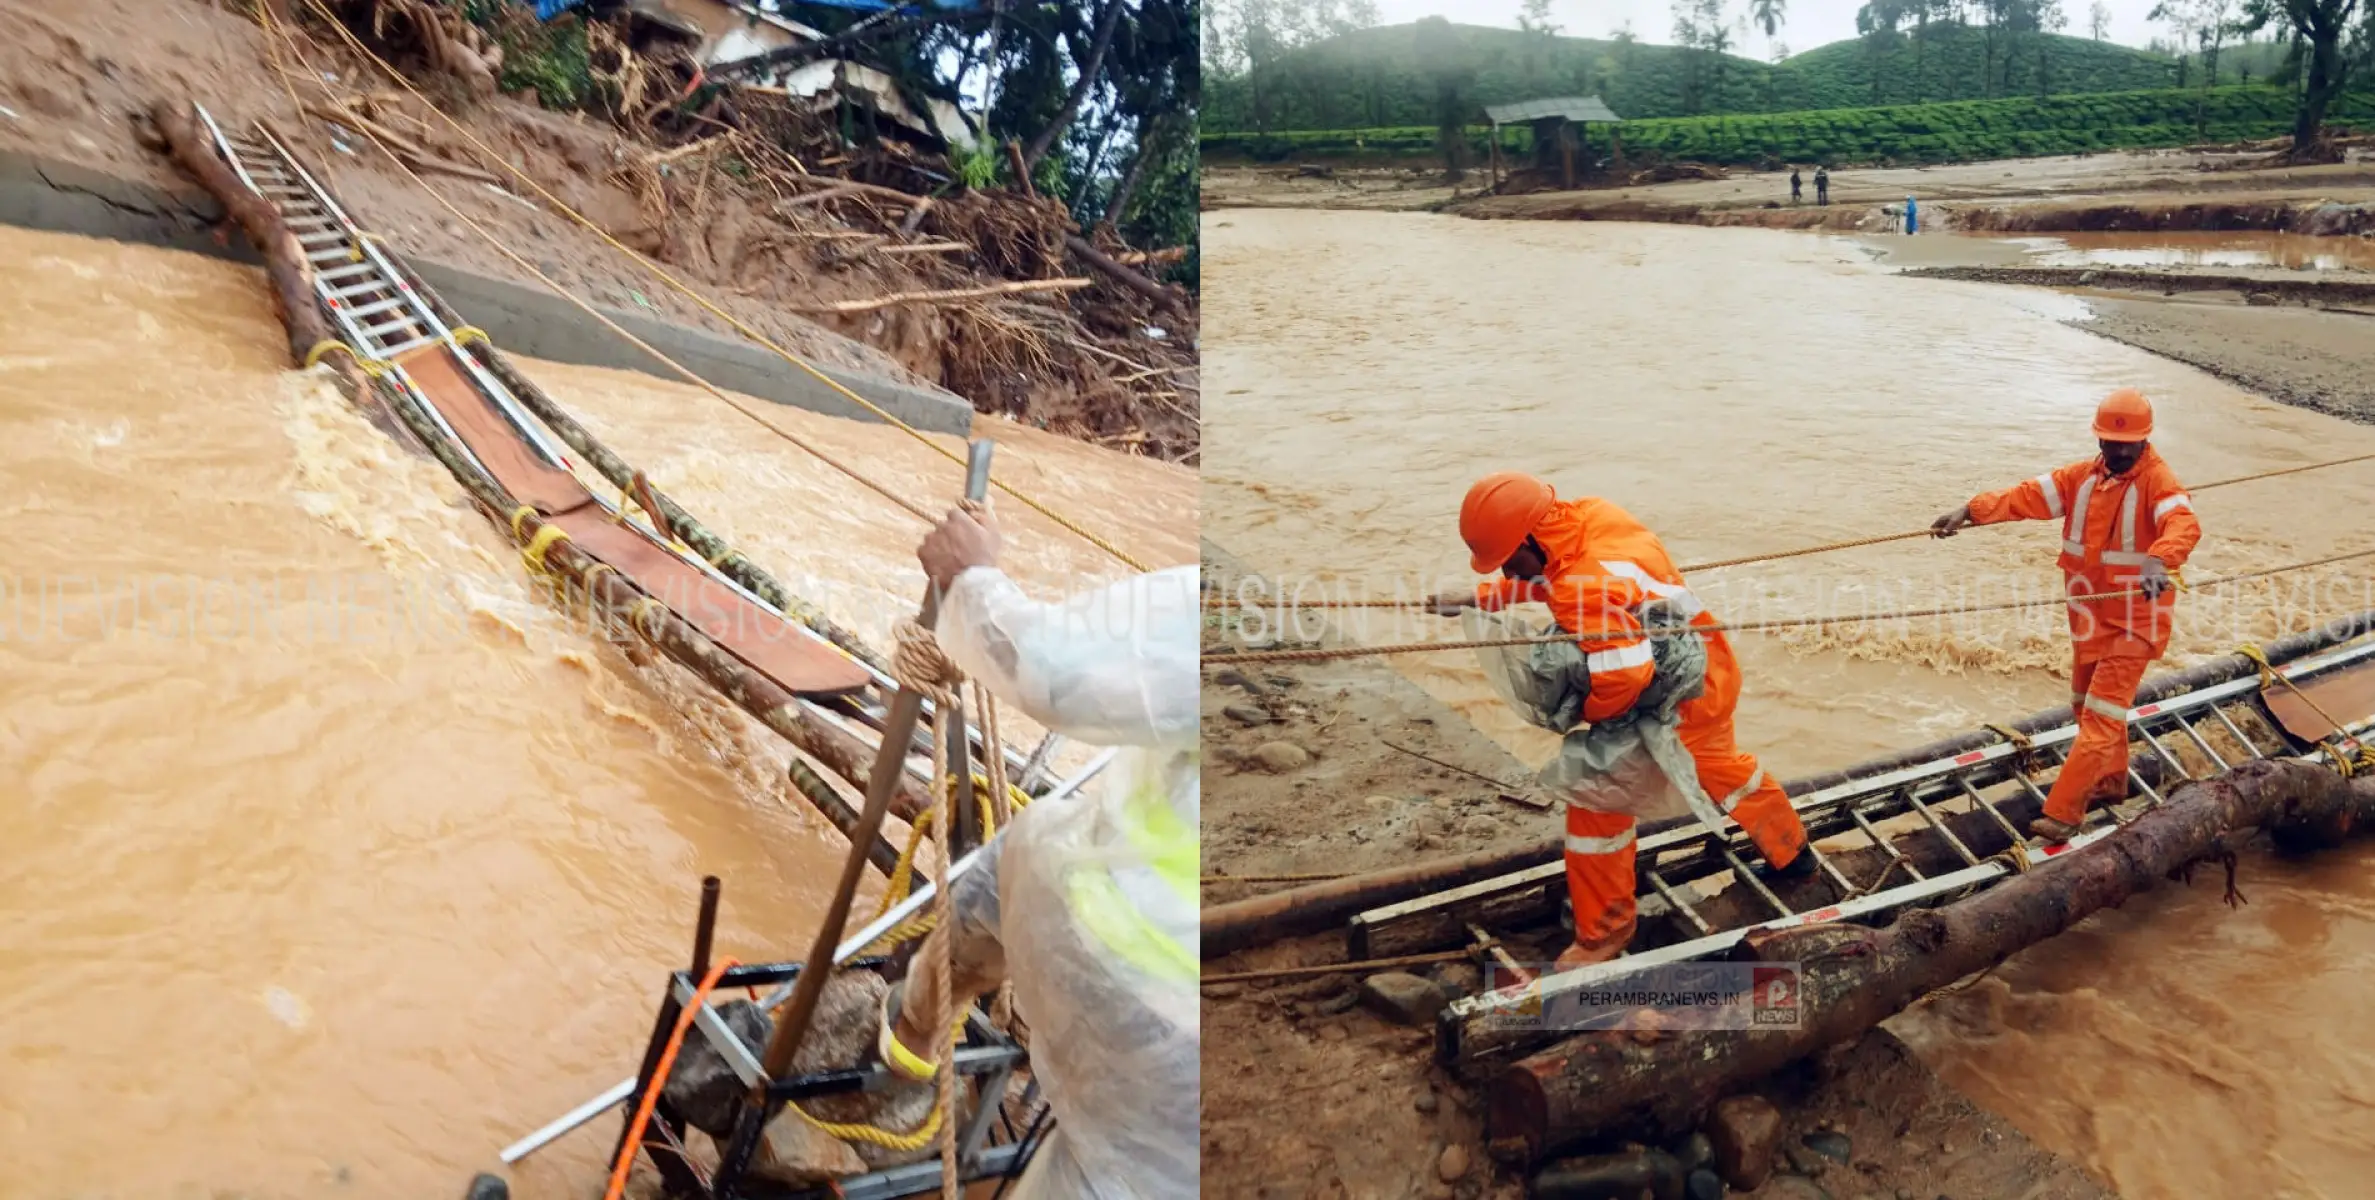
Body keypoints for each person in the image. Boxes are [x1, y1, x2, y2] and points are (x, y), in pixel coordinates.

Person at [877, 505, 1198, 1199]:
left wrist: (970, 579)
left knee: (1020, 852)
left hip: (1132, 982)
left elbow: (1053, 671)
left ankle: (914, 1022)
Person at [1432, 474, 1811, 971]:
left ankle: (1604, 934)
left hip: (1674, 696)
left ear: (1531, 538)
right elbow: (1556, 575)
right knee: (1718, 765)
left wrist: (1585, 718)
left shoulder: (1575, 587)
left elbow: (1623, 673)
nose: (1505, 567)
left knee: (1596, 801)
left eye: (1507, 557)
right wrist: (1481, 597)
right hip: (1709, 667)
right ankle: (1792, 851)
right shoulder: (1592, 514)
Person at [1930, 389, 2201, 843]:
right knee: (2085, 706)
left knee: (2099, 717)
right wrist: (1970, 512)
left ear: (2143, 441)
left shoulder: (2159, 481)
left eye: (2124, 444)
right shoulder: (2084, 478)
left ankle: (2065, 812)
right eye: (2108, 443)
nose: (2115, 451)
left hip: (2134, 623)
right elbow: (2027, 497)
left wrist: (2160, 558)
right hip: (2091, 619)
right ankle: (2111, 784)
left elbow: (2183, 522)